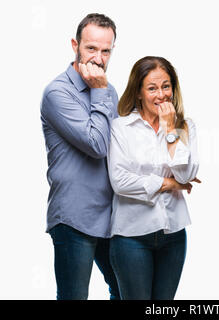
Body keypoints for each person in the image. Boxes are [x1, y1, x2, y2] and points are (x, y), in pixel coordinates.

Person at [40, 13, 120, 300]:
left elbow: (120, 148)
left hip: (111, 216)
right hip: (74, 217)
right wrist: (100, 92)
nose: (99, 58)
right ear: (75, 45)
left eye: (106, 50)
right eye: (91, 48)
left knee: (127, 292)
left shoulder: (110, 91)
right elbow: (97, 145)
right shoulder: (57, 93)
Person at [107, 56, 200, 300]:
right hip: (131, 237)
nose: (161, 94)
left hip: (173, 236)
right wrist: (167, 183)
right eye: (152, 88)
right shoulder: (120, 128)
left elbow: (186, 174)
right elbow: (120, 182)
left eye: (166, 86)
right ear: (138, 92)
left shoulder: (185, 127)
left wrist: (171, 130)